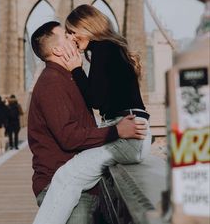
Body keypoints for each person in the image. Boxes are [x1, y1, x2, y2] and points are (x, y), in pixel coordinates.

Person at [28, 21, 148, 224]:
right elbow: (69, 137)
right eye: (66, 36)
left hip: (81, 185)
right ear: (57, 50)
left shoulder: (67, 78)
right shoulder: (52, 82)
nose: (73, 37)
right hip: (60, 185)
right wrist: (116, 131)